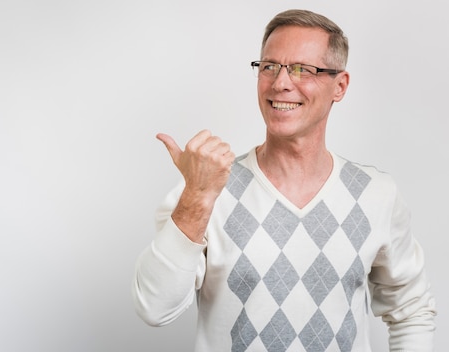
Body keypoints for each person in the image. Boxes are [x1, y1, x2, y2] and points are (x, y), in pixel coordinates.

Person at [131, 8, 436, 352]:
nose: (280, 83)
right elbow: (154, 309)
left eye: (302, 69)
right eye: (269, 67)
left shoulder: (376, 195)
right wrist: (197, 198)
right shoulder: (206, 191)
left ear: (340, 86)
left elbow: (411, 310)